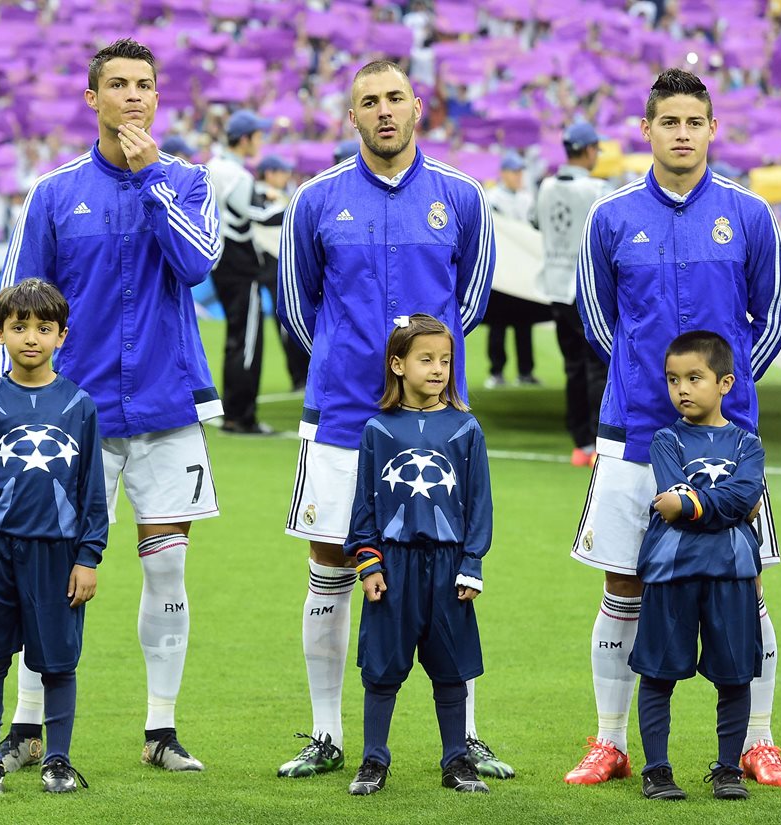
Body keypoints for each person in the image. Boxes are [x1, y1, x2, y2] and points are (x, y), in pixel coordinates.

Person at [0, 38, 224, 774]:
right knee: (50, 571)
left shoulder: (187, 181)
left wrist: (151, 176)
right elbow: (14, 305)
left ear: (158, 97)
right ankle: (28, 725)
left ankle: (161, 729)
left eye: (144, 85)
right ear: (92, 98)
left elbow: (197, 263)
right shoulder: (54, 192)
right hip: (70, 417)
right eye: (118, 84)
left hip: (167, 407)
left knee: (167, 571)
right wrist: (12, 407)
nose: (133, 96)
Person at [276, 60, 505, 780]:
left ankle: (465, 736)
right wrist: (354, 365)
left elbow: (469, 302)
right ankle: (326, 733)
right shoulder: (315, 199)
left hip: (435, 423)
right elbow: (298, 307)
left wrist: (422, 380)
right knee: (331, 565)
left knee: (446, 567)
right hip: (342, 417)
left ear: (417, 107)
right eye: (369, 101)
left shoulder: (461, 196)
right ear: (352, 116)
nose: (383, 111)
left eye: (395, 98)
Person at [568, 68, 781, 788]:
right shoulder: (609, 216)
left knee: (745, 584)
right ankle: (609, 741)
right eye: (669, 121)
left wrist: (719, 399)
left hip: (727, 443)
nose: (682, 134)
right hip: (632, 432)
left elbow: (774, 317)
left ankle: (758, 741)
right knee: (623, 585)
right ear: (646, 129)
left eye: (695, 122)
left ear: (712, 129)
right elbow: (598, 321)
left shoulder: (749, 213)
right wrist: (654, 385)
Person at [0, 279, 106, 793]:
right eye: (19, 327)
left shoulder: (79, 405)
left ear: (62, 335)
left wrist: (88, 557)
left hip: (58, 556)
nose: (32, 338)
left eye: (44, 328)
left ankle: (57, 761)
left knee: (58, 664)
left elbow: (92, 493)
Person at [343, 314, 493, 796]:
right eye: (426, 359)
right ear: (397, 365)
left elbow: (480, 503)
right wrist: (368, 562)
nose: (437, 369)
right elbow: (364, 503)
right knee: (381, 670)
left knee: (451, 671)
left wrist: (472, 563)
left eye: (445, 360)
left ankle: (457, 760)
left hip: (449, 568)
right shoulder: (378, 429)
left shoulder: (465, 428)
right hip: (393, 566)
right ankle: (373, 760)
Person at [634, 331, 764, 802]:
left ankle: (729, 769)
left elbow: (738, 496)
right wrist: (725, 508)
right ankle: (657, 770)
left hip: (732, 574)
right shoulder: (666, 440)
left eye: (694, 378)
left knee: (734, 676)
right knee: (658, 672)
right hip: (673, 573)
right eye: (673, 380)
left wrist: (693, 505)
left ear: (725, 383)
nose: (682, 389)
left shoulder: (748, 444)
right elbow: (675, 496)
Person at [530, 121, 609, 467]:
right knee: (597, 367)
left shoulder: (545, 186)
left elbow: (535, 221)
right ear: (589, 150)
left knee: (573, 367)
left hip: (555, 287)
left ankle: (580, 444)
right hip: (585, 290)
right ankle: (597, 442)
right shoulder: (597, 189)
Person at [207, 109, 286, 435]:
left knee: (237, 339)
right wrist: (292, 206)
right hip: (240, 265)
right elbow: (259, 214)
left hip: (222, 262)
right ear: (244, 139)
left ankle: (234, 413)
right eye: (257, 135)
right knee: (248, 342)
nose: (261, 140)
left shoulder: (215, 166)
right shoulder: (236, 174)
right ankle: (241, 416)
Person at [483, 151, 539, 390]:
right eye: (515, 172)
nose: (519, 176)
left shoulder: (526, 199)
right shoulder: (492, 198)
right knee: (498, 324)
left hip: (522, 273)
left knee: (524, 323)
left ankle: (526, 371)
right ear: (504, 173)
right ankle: (496, 371)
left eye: (520, 172)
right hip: (501, 273)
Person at [255, 155, 310, 392]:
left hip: (281, 264)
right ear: (269, 173)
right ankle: (299, 376)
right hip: (272, 265)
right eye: (282, 171)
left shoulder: (276, 194)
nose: (286, 176)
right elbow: (267, 219)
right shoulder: (259, 194)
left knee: (294, 320)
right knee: (288, 323)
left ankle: (302, 376)